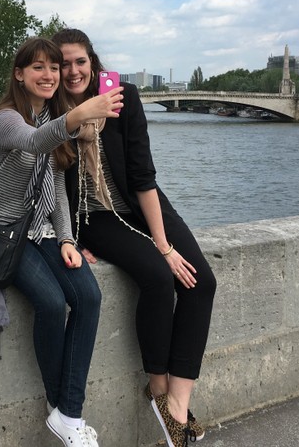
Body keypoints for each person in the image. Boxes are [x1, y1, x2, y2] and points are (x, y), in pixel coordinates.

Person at [51, 28, 216, 447]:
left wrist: (165, 245)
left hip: (142, 202)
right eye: (64, 63)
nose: (72, 71)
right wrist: (67, 236)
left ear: (93, 61)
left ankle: (177, 403)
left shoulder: (123, 96)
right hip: (94, 217)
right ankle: (158, 388)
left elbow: (142, 175)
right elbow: (48, 180)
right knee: (159, 279)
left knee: (200, 281)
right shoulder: (54, 111)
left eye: (80, 61)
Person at [0, 37, 122, 447]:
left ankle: (66, 415)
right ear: (19, 75)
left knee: (89, 297)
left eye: (53, 68)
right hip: (2, 234)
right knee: (52, 303)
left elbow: (57, 185)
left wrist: (66, 239)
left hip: (40, 232)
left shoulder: (52, 118)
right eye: (38, 67)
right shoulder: (6, 119)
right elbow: (33, 143)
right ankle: (67, 413)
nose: (50, 75)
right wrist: (81, 113)